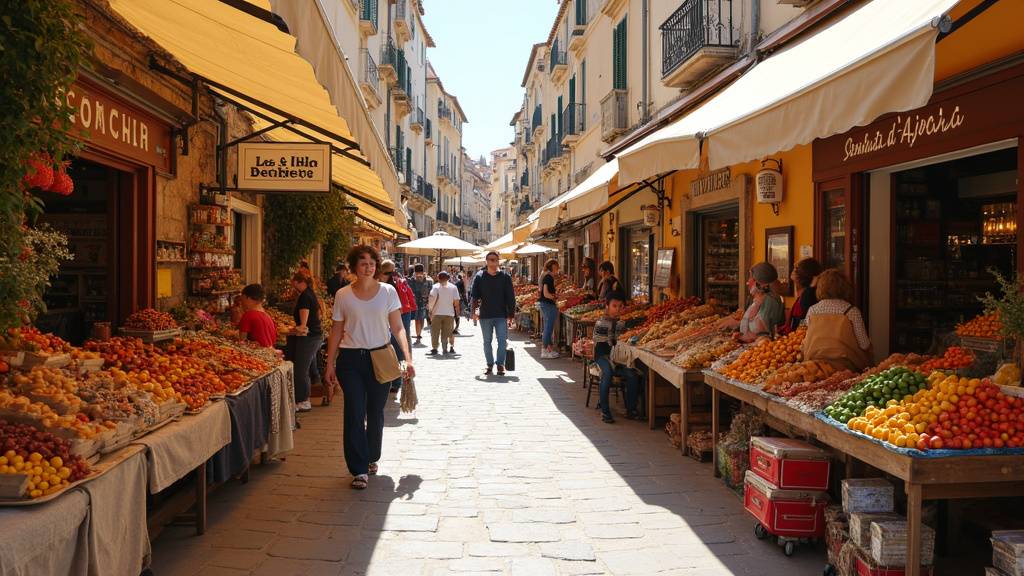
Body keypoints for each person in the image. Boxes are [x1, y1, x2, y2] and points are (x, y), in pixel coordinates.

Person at [325, 245, 414, 490]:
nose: (368, 266)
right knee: (354, 410)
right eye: (363, 262)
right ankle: (359, 469)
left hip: (381, 357)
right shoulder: (343, 295)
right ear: (354, 267)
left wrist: (407, 357)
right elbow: (336, 330)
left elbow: (397, 327)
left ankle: (372, 456)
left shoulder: (388, 292)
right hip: (350, 360)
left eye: (372, 262)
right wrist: (329, 363)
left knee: (375, 411)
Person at [803, 268, 872, 371]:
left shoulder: (812, 310)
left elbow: (805, 341)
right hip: (845, 366)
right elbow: (864, 344)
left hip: (816, 367)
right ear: (845, 287)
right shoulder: (851, 311)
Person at [593, 291, 642, 423]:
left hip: (618, 357)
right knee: (607, 373)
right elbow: (606, 344)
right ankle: (605, 410)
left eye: (620, 306)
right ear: (607, 306)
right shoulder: (601, 323)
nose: (618, 309)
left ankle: (631, 409)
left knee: (632, 374)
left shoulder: (621, 323)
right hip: (602, 356)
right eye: (614, 306)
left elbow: (621, 341)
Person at [471, 251, 516, 376]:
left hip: (501, 315)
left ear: (498, 261)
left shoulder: (505, 277)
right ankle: (489, 364)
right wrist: (474, 312)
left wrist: (511, 315)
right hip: (485, 315)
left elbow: (510, 297)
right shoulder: (480, 277)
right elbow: (474, 296)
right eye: (490, 260)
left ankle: (500, 364)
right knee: (487, 341)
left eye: (494, 260)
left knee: (502, 340)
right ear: (486, 261)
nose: (492, 262)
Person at [378, 260, 415, 393]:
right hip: (404, 315)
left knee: (393, 348)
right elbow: (410, 299)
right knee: (400, 348)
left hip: (396, 316)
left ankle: (397, 380)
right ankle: (401, 379)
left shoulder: (389, 285)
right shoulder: (400, 281)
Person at [290, 270, 323, 412]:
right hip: (315, 335)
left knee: (300, 369)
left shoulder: (304, 297)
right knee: (310, 367)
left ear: (299, 282)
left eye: (294, 284)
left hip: (308, 337)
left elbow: (303, 325)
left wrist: (291, 330)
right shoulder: (310, 293)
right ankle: (315, 390)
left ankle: (303, 400)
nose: (293, 288)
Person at [782, 257, 823, 334]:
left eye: (796, 268)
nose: (793, 271)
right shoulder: (806, 292)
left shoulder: (808, 295)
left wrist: (797, 332)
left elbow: (805, 320)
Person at [427, 270, 460, 355]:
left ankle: (434, 348)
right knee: (447, 332)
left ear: (438, 278)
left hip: (437, 313)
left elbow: (431, 300)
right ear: (448, 278)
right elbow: (456, 302)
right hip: (449, 313)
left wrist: (430, 311)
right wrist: (457, 313)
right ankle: (445, 348)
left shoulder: (435, 287)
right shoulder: (453, 287)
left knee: (435, 332)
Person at [236, 284, 277, 348]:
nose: (241, 302)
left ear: (248, 298)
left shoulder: (248, 315)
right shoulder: (267, 316)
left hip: (258, 355)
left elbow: (241, 342)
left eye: (242, 299)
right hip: (270, 354)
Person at [538, 258, 560, 359]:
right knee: (548, 328)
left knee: (548, 327)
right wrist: (555, 297)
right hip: (548, 304)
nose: (558, 270)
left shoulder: (547, 277)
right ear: (553, 268)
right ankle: (544, 350)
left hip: (546, 304)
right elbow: (546, 294)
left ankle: (549, 349)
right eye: (557, 268)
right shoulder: (548, 277)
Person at [407, 264, 432, 343]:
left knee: (421, 319)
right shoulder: (411, 281)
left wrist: (429, 303)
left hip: (424, 303)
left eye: (419, 272)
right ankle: (418, 336)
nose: (418, 274)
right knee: (417, 319)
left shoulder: (428, 281)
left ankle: (419, 333)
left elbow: (431, 292)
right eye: (417, 273)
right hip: (415, 303)